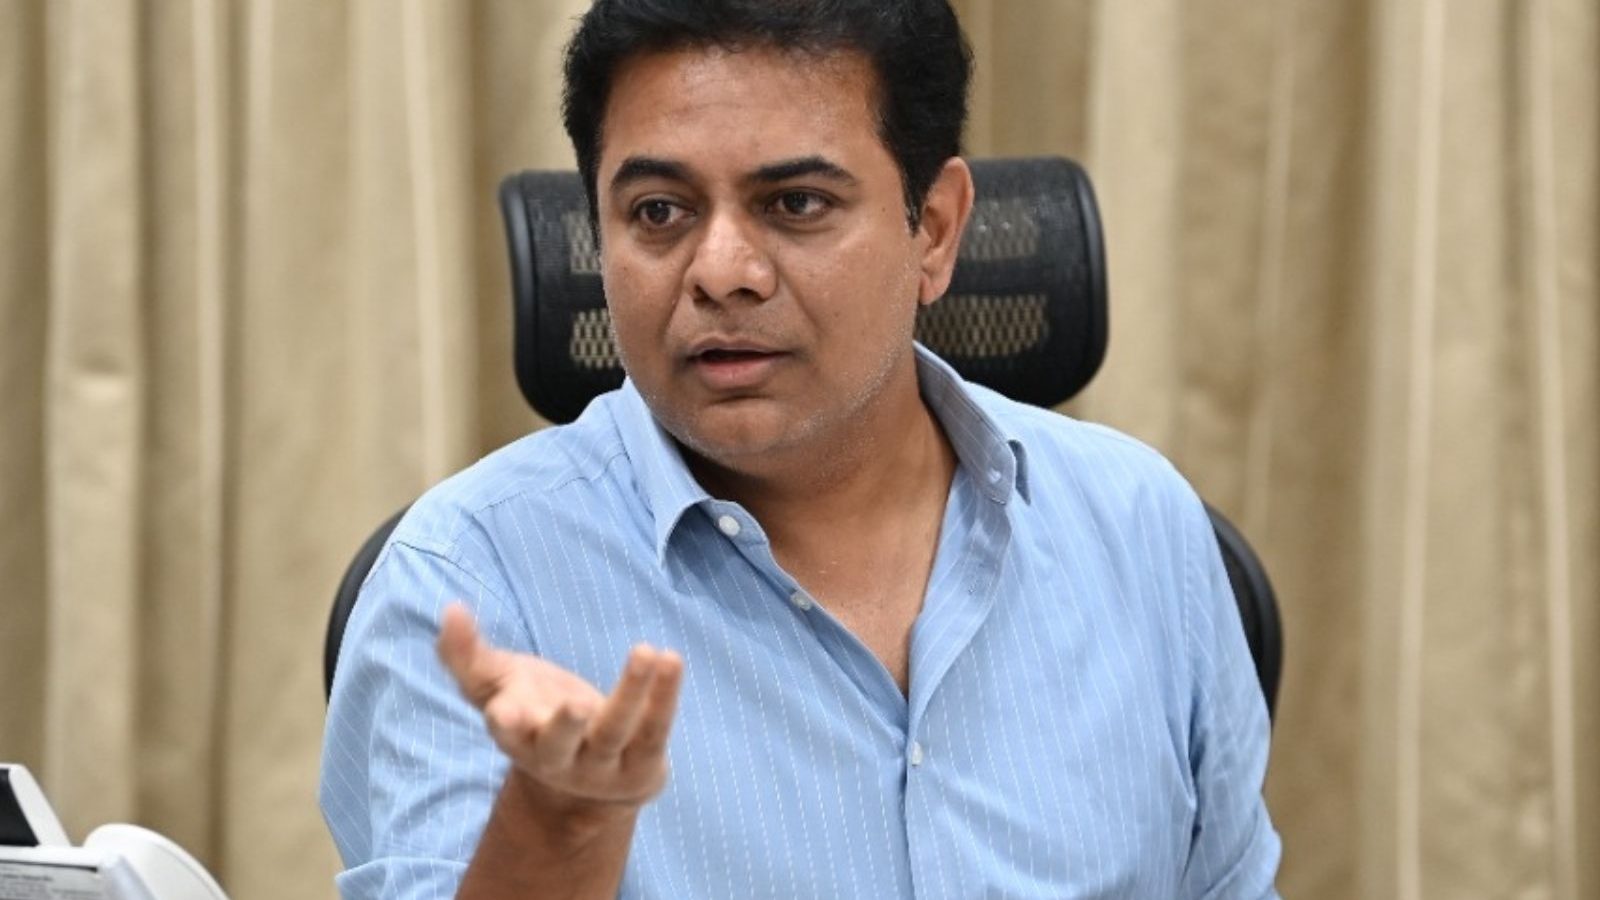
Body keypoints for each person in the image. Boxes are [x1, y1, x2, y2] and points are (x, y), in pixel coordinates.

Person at [319, 1, 1281, 897]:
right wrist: (557, 830)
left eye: (796, 204)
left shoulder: (1139, 529)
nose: (722, 272)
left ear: (935, 229)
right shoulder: (465, 586)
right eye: (658, 211)